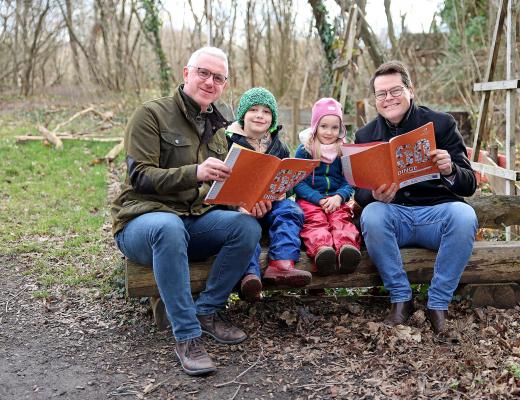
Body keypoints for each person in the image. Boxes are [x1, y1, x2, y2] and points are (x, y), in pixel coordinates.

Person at [111, 47, 263, 376]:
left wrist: (243, 199)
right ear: (186, 73)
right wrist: (194, 172)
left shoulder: (220, 128)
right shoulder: (150, 115)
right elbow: (140, 176)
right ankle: (187, 336)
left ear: (224, 84)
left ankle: (207, 312)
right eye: (203, 73)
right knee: (167, 227)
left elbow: (213, 189)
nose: (210, 82)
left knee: (246, 227)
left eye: (218, 78)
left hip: (191, 222)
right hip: (142, 222)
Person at [354, 61, 478, 334]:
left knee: (465, 216)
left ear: (411, 90)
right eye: (381, 94)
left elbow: (469, 184)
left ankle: (438, 303)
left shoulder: (442, 124)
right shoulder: (365, 135)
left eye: (395, 91)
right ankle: (401, 298)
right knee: (372, 214)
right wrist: (373, 194)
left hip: (436, 217)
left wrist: (450, 169)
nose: (388, 99)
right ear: (375, 100)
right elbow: (359, 191)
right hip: (394, 219)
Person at [225, 87, 312, 300]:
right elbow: (220, 183)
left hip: (271, 203)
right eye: (253, 109)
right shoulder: (228, 141)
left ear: (272, 118)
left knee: (291, 209)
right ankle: (250, 275)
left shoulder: (278, 145)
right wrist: (238, 206)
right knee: (245, 226)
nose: (259, 115)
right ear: (243, 115)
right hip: (241, 207)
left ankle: (281, 264)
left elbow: (288, 177)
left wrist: (284, 191)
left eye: (266, 111)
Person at [293, 98, 362, 275]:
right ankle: (322, 251)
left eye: (334, 127)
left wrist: (339, 197)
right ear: (315, 126)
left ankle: (347, 249)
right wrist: (318, 199)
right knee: (315, 222)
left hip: (336, 200)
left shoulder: (343, 150)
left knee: (341, 219)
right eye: (324, 126)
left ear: (340, 129)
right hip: (311, 201)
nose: (329, 132)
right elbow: (298, 182)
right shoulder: (305, 150)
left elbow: (349, 181)